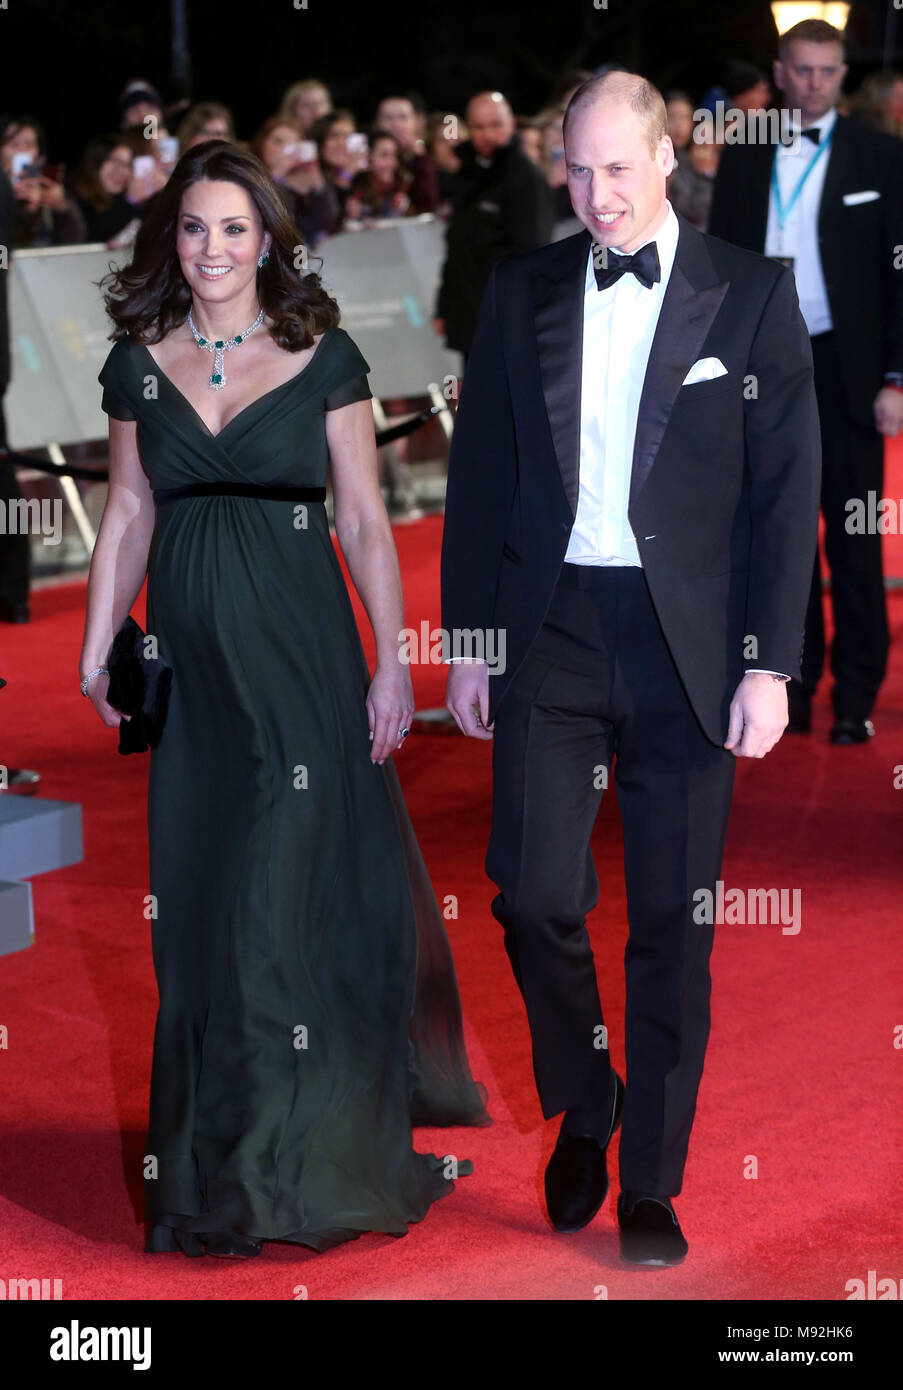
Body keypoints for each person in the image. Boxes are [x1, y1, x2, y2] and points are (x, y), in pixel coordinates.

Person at [81, 139, 488, 1259]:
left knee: (275, 898)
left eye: (235, 228)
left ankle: (285, 1167)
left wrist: (393, 659)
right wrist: (97, 635)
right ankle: (224, 1156)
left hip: (304, 666)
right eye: (195, 227)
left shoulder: (321, 354)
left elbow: (362, 516)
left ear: (268, 240)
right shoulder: (136, 361)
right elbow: (124, 512)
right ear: (173, 236)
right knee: (206, 917)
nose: (213, 249)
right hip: (198, 687)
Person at [441, 71, 820, 1266]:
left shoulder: (750, 295)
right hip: (552, 625)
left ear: (668, 158)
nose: (598, 195)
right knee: (532, 890)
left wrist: (769, 665)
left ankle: (650, 1179)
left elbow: (784, 494)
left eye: (620, 166)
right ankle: (588, 1093)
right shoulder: (522, 290)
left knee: (673, 920)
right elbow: (484, 481)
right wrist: (471, 641)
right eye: (579, 168)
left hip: (688, 647)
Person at [709, 17, 903, 742]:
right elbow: (719, 267)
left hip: (848, 373)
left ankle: (854, 696)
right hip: (762, 370)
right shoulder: (743, 153)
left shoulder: (881, 157)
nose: (815, 82)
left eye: (828, 70)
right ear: (780, 71)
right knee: (776, 534)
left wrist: (894, 376)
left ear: (841, 76)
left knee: (852, 539)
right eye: (803, 69)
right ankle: (790, 682)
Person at [434, 90, 555, 364]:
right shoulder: (467, 175)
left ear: (511, 123)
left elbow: (533, 254)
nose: (488, 134)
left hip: (509, 319)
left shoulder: (527, 178)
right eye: (479, 127)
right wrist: (444, 306)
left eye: (496, 125)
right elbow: (455, 247)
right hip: (470, 315)